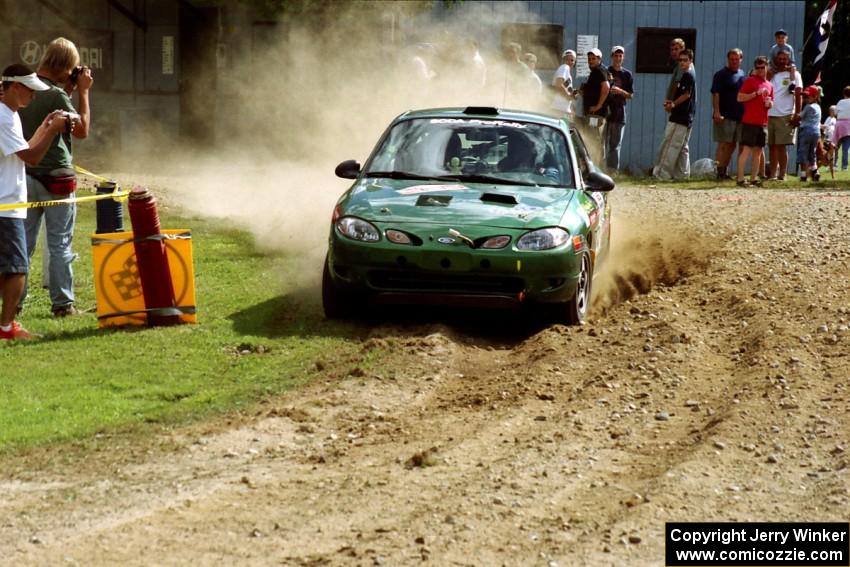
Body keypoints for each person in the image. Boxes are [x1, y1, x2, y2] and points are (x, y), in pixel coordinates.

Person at [19, 37, 93, 317]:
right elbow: (82, 129)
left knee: (23, 245)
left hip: (26, 175)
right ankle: (63, 304)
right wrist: (83, 93)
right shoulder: (57, 96)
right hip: (58, 180)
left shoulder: (26, 89)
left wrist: (69, 89)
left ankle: (15, 303)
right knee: (59, 243)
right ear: (65, 66)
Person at [0, 64, 70, 340]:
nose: (34, 95)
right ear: (15, 87)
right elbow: (31, 158)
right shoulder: (5, 117)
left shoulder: (10, 114)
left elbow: (23, 148)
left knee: (8, 268)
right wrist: (52, 131)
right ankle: (6, 327)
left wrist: (43, 127)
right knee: (18, 268)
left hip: (9, 201)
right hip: (6, 203)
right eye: (30, 90)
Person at [653, 49, 696, 180]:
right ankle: (682, 175)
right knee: (682, 147)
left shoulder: (688, 75)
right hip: (687, 116)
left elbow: (686, 94)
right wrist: (671, 102)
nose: (682, 62)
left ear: (690, 61)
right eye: (680, 60)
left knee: (670, 145)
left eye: (685, 60)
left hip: (681, 116)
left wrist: (673, 104)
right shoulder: (685, 74)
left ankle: (662, 174)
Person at [735, 56, 773, 187]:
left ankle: (753, 178)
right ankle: (740, 178)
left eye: (763, 67)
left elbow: (770, 101)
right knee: (746, 150)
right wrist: (755, 94)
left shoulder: (769, 84)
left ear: (767, 67)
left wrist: (770, 103)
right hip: (750, 121)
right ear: (755, 68)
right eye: (758, 68)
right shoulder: (750, 81)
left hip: (763, 122)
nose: (761, 70)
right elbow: (739, 98)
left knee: (758, 151)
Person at [710, 48, 746, 180]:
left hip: (739, 115)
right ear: (728, 59)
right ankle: (719, 172)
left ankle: (725, 171)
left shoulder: (742, 74)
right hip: (725, 115)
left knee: (733, 145)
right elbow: (715, 93)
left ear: (741, 60)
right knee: (723, 144)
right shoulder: (720, 75)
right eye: (732, 59)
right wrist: (716, 112)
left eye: (737, 59)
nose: (734, 61)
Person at [766, 51, 801, 180]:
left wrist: (797, 113)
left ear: (788, 60)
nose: (781, 61)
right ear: (775, 60)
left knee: (781, 146)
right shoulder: (771, 73)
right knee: (771, 146)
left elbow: (798, 94)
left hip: (785, 114)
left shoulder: (794, 74)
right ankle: (773, 174)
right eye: (779, 59)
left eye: (784, 59)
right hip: (769, 114)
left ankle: (783, 174)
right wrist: (771, 72)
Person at [603, 45, 634, 172]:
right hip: (605, 112)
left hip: (619, 113)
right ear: (611, 57)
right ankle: (600, 169)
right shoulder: (605, 71)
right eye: (616, 55)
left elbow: (631, 95)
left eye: (620, 55)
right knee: (602, 144)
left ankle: (612, 171)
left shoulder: (627, 74)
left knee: (615, 145)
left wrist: (620, 91)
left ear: (623, 57)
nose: (618, 58)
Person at [797, 85, 822, 182]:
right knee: (812, 152)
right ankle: (815, 171)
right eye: (805, 97)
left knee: (803, 151)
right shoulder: (818, 107)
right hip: (816, 132)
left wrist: (795, 117)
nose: (806, 99)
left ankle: (803, 175)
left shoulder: (808, 107)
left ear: (815, 96)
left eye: (808, 97)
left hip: (806, 131)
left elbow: (800, 117)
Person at [550, 50, 576, 118]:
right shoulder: (564, 67)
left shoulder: (566, 71)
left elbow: (562, 86)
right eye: (566, 59)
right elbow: (559, 84)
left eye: (572, 60)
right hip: (559, 109)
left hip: (561, 109)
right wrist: (568, 96)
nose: (569, 62)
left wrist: (572, 94)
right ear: (563, 60)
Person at [834, 86, 850, 171]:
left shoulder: (840, 101)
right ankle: (844, 167)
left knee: (836, 146)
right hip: (848, 126)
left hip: (839, 125)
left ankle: (834, 165)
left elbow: (835, 113)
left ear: (844, 93)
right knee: (846, 148)